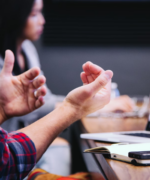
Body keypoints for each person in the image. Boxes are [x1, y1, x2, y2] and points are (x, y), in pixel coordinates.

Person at [0, 0, 133, 175]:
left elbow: (42, 99)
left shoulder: (27, 49)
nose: (42, 20)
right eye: (34, 14)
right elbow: (37, 109)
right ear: (14, 16)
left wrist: (77, 105)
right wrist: (80, 107)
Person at [0, 49, 113, 179]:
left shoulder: (27, 48)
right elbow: (7, 162)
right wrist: (73, 107)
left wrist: (2, 109)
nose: (42, 26)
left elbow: (7, 157)